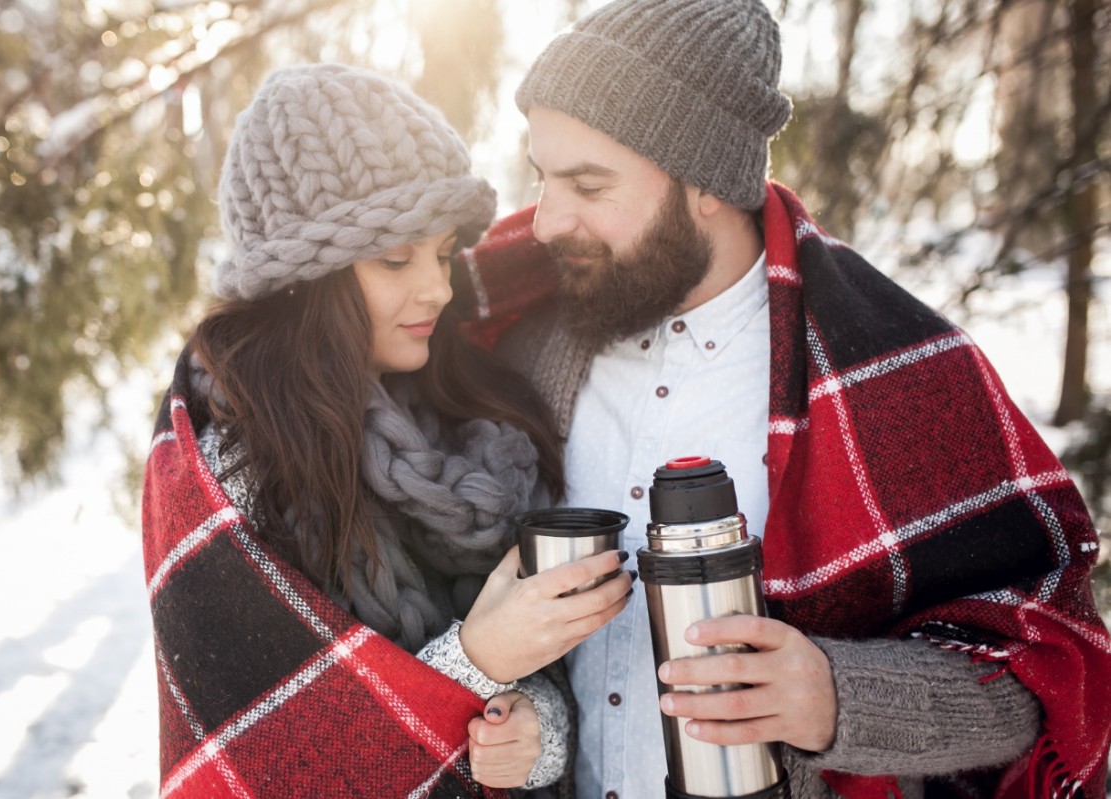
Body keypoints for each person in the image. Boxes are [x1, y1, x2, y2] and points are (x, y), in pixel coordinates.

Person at [450, 1, 1111, 797]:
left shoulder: (892, 370)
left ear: (707, 183)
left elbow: (1038, 679)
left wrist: (837, 694)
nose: (547, 221)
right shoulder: (520, 346)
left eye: (587, 183)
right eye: (542, 176)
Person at [140, 63, 634, 798]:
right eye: (395, 258)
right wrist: (476, 660)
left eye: (441, 254)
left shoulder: (475, 420)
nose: (437, 287)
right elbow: (271, 764)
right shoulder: (240, 470)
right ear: (303, 280)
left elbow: (545, 685)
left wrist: (533, 732)